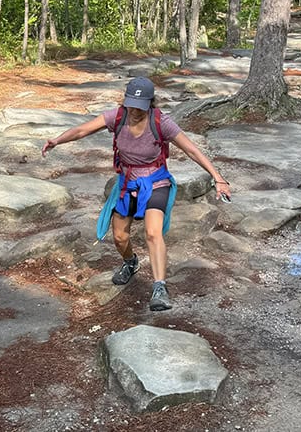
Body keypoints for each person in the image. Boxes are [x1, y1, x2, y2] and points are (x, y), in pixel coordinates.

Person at [41, 76, 231, 311]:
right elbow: (83, 130)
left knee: (153, 233)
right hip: (127, 183)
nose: (135, 111)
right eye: (131, 104)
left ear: (150, 103)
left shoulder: (161, 122)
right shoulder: (118, 117)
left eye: (140, 107)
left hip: (155, 182)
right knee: (120, 237)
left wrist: (218, 178)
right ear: (125, 100)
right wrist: (57, 140)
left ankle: (160, 287)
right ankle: (130, 263)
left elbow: (191, 149)